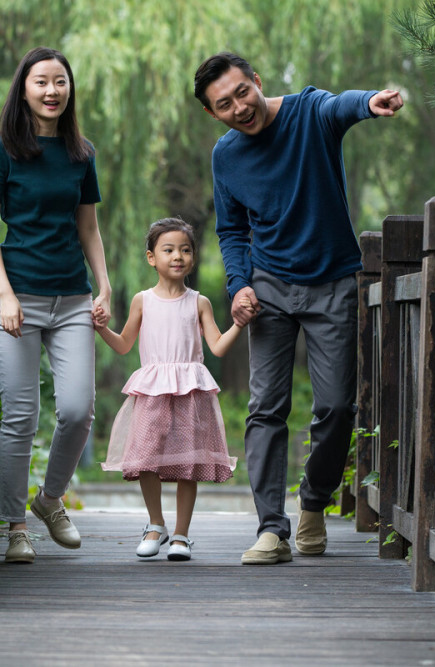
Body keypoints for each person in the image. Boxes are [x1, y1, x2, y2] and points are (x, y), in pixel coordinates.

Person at [193, 52, 404, 565]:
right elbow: (231, 230)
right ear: (212, 113)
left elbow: (339, 107)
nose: (240, 107)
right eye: (224, 104)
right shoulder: (226, 156)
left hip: (333, 281)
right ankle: (271, 528)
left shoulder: (308, 111)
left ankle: (313, 501)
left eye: (242, 92)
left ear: (256, 81)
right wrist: (239, 286)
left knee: (336, 407)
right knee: (266, 407)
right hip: (269, 287)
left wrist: (369, 103)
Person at [0, 46, 112, 564]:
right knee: (21, 416)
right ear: (24, 89)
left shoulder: (81, 153)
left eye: (60, 81)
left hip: (72, 298)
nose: (52, 91)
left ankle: (50, 499)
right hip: (17, 299)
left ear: (69, 89)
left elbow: (88, 227)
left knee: (77, 410)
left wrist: (104, 287)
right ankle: (16, 526)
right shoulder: (2, 150)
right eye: (41, 82)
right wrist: (6, 295)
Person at [92, 218, 242, 561]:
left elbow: (217, 347)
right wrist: (101, 329)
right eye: (169, 250)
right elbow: (124, 344)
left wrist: (239, 324)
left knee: (188, 462)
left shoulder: (199, 302)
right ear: (151, 257)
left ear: (193, 257)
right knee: (146, 457)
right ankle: (155, 524)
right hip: (153, 391)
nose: (178, 256)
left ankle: (181, 535)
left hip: (190, 392)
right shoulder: (142, 301)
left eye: (185, 250)